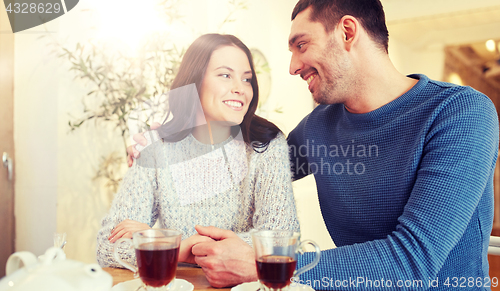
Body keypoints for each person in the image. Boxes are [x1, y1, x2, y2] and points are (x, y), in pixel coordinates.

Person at [129, 1, 496, 290]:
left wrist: (267, 262)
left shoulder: (460, 113)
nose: (292, 66)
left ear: (347, 32)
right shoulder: (320, 126)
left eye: (301, 45)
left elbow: (413, 263)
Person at [97, 33, 300, 286]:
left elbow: (281, 239)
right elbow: (108, 245)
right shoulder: (155, 148)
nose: (240, 87)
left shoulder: (267, 145)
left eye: (246, 78)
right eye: (225, 75)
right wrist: (181, 248)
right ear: (194, 82)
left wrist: (161, 241)